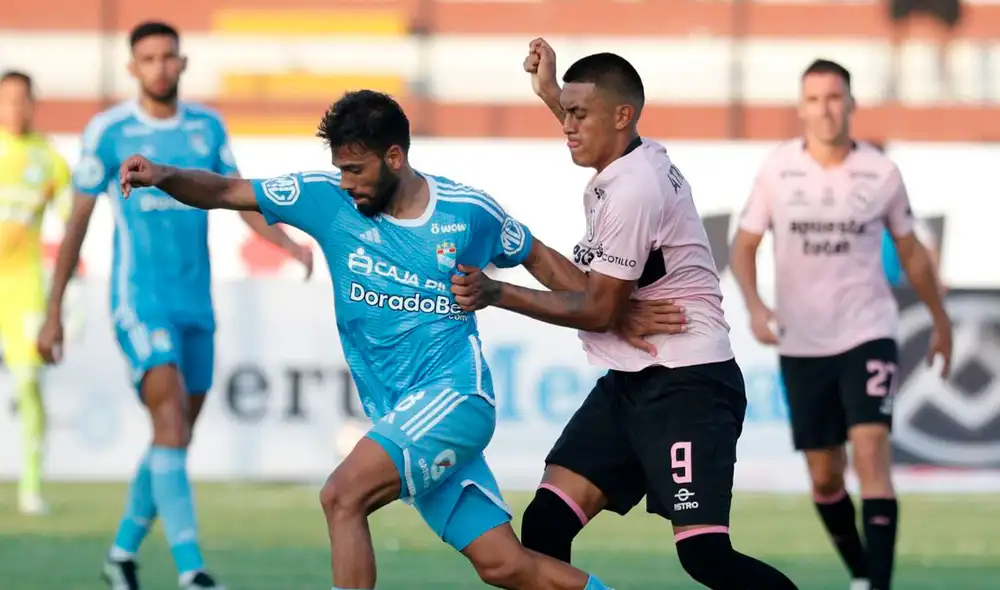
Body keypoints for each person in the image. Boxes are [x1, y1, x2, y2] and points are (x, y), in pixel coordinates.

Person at [114, 89, 686, 590]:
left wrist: (611, 309)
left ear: (394, 157)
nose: (347, 183)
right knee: (505, 565)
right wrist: (164, 175)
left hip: (455, 398)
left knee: (342, 495)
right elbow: (226, 190)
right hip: (400, 411)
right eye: (340, 169)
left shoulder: (466, 212)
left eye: (356, 169)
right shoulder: (325, 198)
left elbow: (539, 257)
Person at [450, 39, 800, 590]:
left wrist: (497, 292)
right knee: (546, 522)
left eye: (578, 114)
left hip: (688, 384)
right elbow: (604, 302)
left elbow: (596, 310)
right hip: (634, 378)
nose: (568, 127)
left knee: (705, 555)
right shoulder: (628, 158)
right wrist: (550, 92)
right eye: (566, 113)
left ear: (622, 115)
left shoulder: (635, 188)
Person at [36, 21, 312, 590]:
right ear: (132, 68)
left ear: (182, 63)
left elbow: (237, 197)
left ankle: (120, 555)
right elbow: (77, 223)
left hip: (195, 303)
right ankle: (192, 571)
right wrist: (53, 309)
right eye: (149, 58)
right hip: (140, 302)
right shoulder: (109, 131)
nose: (160, 66)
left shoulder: (207, 127)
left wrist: (287, 243)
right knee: (169, 420)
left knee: (176, 434)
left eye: (169, 56)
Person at [729, 59, 953, 590]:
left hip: (867, 330)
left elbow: (912, 252)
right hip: (802, 341)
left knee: (871, 449)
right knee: (825, 476)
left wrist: (940, 321)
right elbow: (743, 246)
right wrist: (756, 306)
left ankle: (879, 585)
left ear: (851, 104)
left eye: (834, 98)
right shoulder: (777, 169)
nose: (825, 109)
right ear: (801, 107)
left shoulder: (880, 172)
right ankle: (860, 572)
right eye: (814, 99)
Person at [0, 70, 71, 515]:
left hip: (23, 285)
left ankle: (30, 485)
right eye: (5, 99)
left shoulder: (50, 161)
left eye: (20, 99)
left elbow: (71, 225)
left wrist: (68, 296)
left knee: (28, 383)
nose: (13, 107)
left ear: (32, 103)